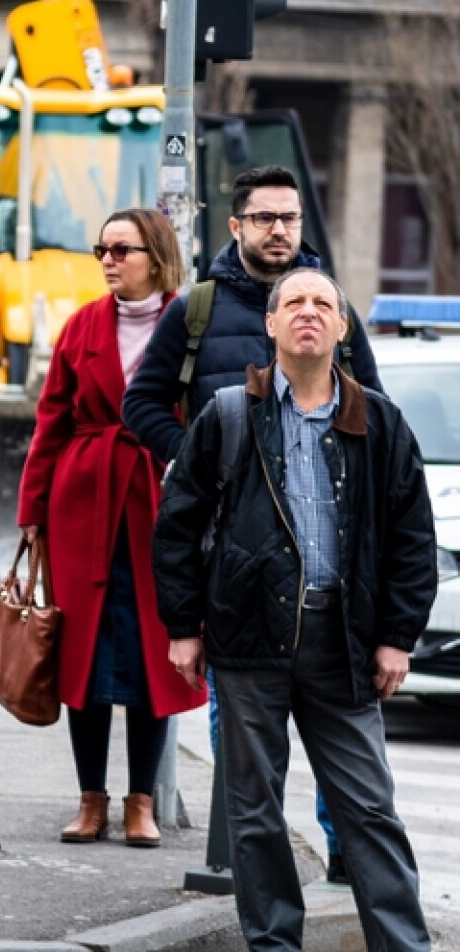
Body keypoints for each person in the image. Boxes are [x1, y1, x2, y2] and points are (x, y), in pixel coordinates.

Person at [154, 267, 436, 952]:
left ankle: (404, 946)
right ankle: (274, 945)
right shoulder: (229, 413)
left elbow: (411, 537)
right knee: (255, 813)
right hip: (248, 637)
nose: (308, 312)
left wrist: (396, 637)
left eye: (322, 304)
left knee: (369, 809)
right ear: (271, 324)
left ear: (341, 327)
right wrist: (183, 628)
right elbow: (177, 527)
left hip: (345, 643)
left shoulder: (379, 420)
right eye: (295, 303)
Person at [122, 165, 382, 878]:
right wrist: (200, 459)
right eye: (265, 218)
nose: (279, 230)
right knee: (240, 725)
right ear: (236, 225)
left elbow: (375, 414)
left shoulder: (331, 308)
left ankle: (345, 860)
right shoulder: (198, 310)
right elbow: (140, 404)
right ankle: (247, 862)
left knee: (337, 724)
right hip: (234, 555)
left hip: (325, 553)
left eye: (289, 218)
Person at [17, 210, 208, 848]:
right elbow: (50, 422)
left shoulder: (188, 324)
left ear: (156, 255)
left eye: (121, 249)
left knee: (156, 654)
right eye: (101, 248)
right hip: (84, 504)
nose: (107, 259)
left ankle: (142, 802)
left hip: (159, 502)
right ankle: (90, 799)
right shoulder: (82, 325)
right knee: (85, 655)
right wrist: (33, 513)